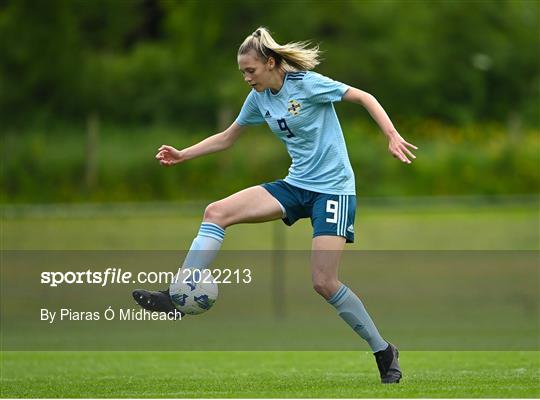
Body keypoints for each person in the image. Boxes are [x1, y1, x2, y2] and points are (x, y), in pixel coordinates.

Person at [133, 27, 417, 384]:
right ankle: (178, 296)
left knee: (323, 282)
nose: (246, 77)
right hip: (296, 185)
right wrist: (183, 154)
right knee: (216, 212)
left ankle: (383, 350)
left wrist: (391, 134)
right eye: (242, 72)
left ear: (270, 63)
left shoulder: (307, 84)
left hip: (333, 191)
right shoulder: (259, 99)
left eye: (250, 70)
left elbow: (364, 96)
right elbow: (227, 137)